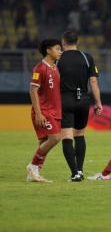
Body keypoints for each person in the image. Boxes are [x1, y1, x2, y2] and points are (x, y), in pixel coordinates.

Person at [57, 30, 103, 182]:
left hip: (65, 98)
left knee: (67, 136)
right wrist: (98, 102)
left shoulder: (58, 58)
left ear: (63, 43)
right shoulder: (86, 57)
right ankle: (80, 170)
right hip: (83, 99)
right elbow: (93, 82)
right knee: (80, 135)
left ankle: (75, 172)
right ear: (77, 42)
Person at [27, 39, 62, 182]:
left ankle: (34, 174)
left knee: (43, 142)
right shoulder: (39, 68)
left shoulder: (55, 67)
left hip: (55, 110)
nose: (60, 51)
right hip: (44, 111)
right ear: (48, 50)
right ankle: (32, 165)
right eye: (58, 49)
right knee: (55, 138)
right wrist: (39, 113)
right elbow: (33, 90)